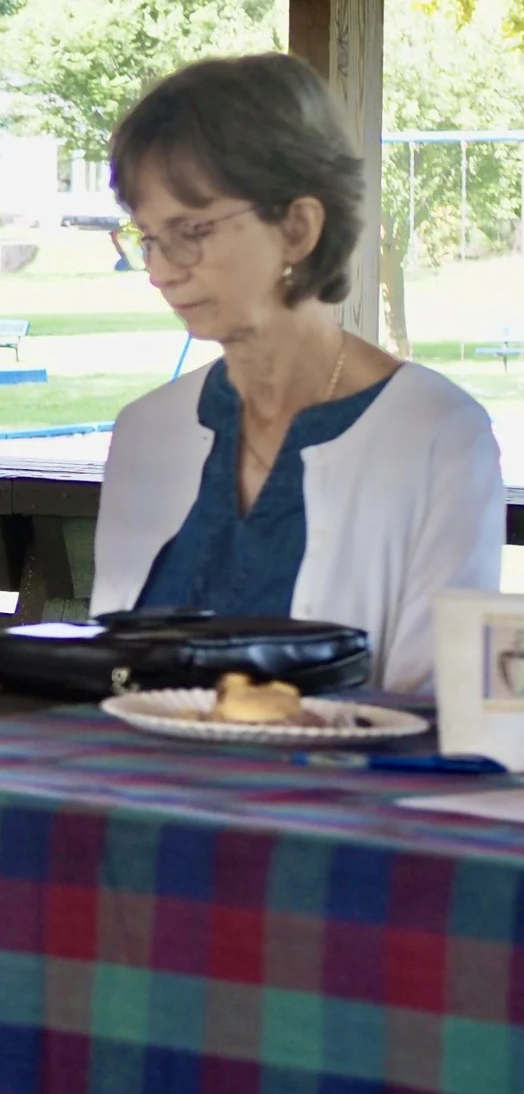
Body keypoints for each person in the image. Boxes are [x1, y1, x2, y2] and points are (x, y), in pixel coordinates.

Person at [91, 54, 503, 692]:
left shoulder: (438, 436)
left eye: (189, 230)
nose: (160, 271)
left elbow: (437, 713)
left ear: (298, 227)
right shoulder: (147, 431)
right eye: (148, 237)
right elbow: (109, 677)